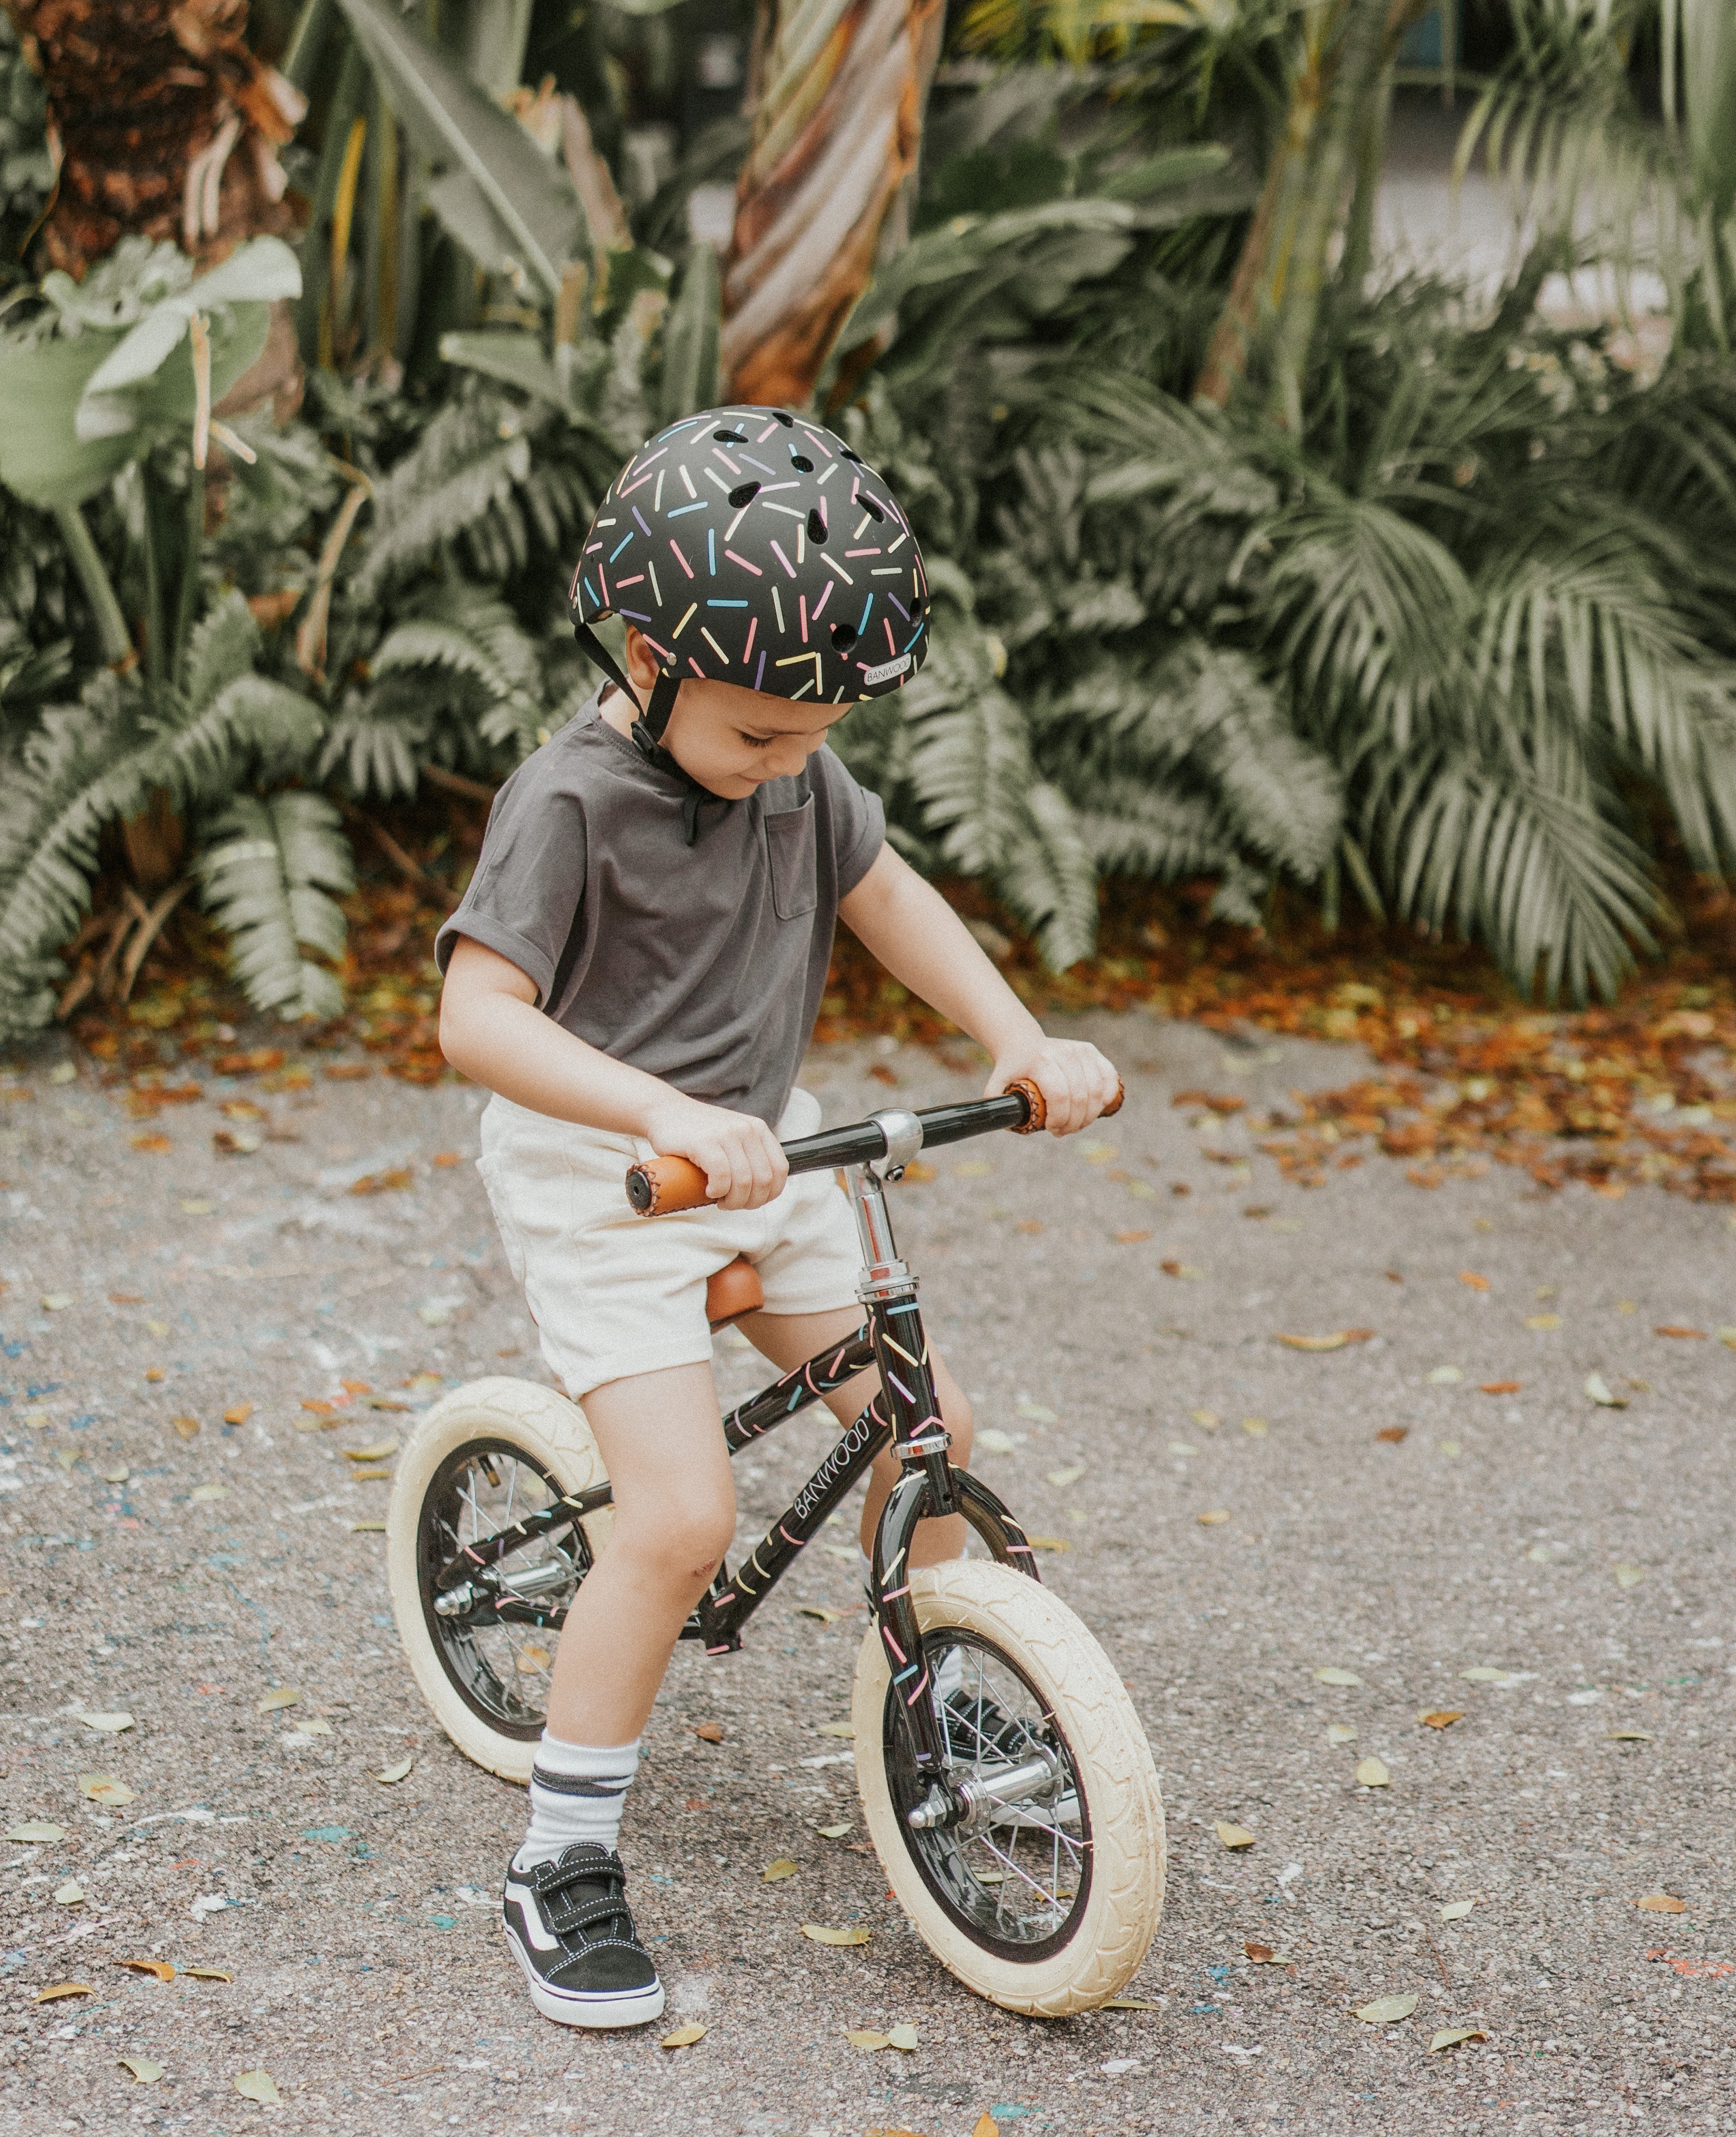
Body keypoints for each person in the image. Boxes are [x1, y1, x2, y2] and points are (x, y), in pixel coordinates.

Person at [433, 405, 1118, 2030]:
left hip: (766, 1155)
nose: (791, 767)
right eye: (758, 737)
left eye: (817, 737)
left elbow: (889, 897)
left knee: (931, 1422)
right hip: (613, 1173)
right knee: (679, 1523)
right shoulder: (567, 802)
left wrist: (1017, 1040)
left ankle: (927, 1717)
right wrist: (658, 1111)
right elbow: (475, 1020)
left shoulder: (790, 759)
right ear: (647, 658)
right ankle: (560, 1854)